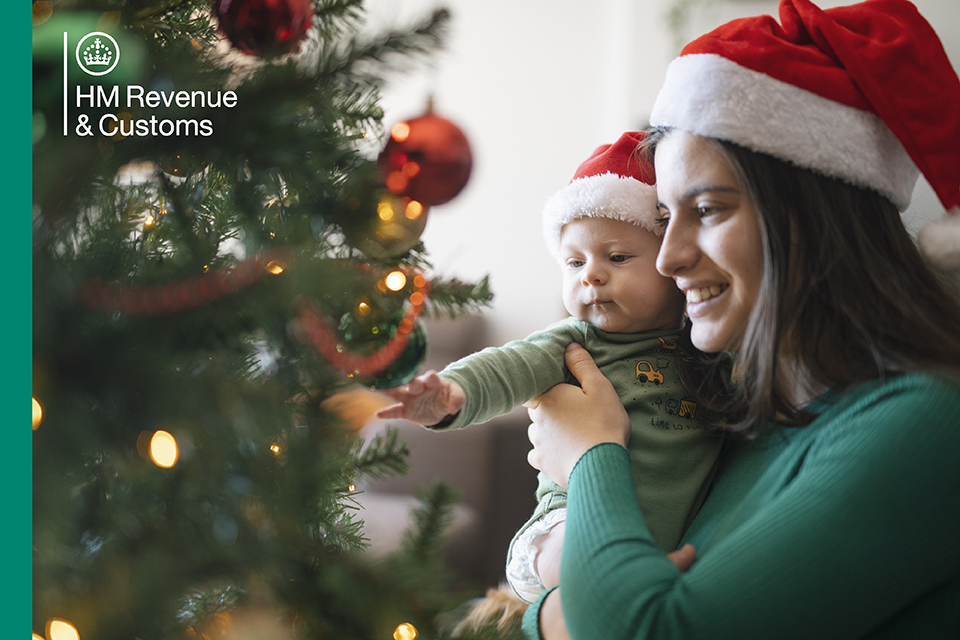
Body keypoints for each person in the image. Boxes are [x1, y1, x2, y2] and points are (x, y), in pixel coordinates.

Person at [522, 0, 960, 638]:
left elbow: (645, 630)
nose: (670, 259)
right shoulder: (733, 407)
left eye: (709, 209)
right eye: (667, 218)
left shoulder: (926, 423)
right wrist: (560, 612)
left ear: (813, 217)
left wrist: (592, 452)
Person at [377, 131, 724, 602]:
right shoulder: (573, 342)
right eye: (574, 262)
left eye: (617, 257)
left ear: (670, 263)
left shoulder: (706, 347)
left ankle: (623, 586)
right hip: (569, 520)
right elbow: (505, 367)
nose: (591, 275)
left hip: (675, 539)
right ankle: (603, 577)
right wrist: (451, 393)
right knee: (565, 549)